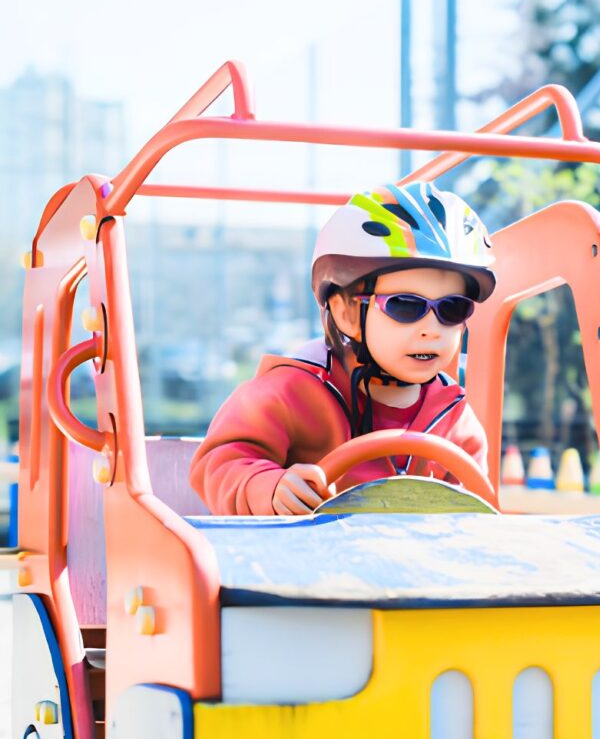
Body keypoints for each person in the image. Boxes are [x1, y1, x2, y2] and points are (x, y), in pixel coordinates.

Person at [189, 182, 497, 515]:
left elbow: (473, 514)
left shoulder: (455, 418)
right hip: (295, 560)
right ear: (347, 312)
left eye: (453, 309)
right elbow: (219, 463)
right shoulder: (290, 391)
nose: (431, 329)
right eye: (405, 306)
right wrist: (269, 486)